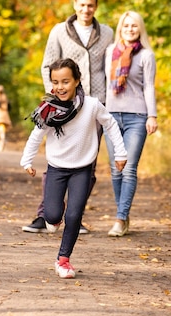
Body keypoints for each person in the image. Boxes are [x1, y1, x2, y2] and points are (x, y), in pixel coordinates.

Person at [20, 58, 127, 279]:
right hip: (56, 169)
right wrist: (27, 161)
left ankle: (63, 260)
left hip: (82, 169)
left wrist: (120, 153)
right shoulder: (48, 110)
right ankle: (55, 217)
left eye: (66, 81)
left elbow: (110, 124)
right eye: (56, 82)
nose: (60, 87)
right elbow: (36, 135)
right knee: (51, 216)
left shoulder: (91, 105)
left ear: (77, 80)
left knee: (75, 214)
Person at [22, 0, 114, 234]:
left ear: (96, 7)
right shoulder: (59, 31)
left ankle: (75, 216)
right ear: (75, 5)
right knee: (57, 161)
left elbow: (110, 67)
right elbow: (46, 66)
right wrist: (55, 99)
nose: (86, 9)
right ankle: (45, 215)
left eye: (91, 5)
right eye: (82, 5)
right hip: (63, 106)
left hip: (93, 104)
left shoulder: (106, 33)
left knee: (88, 164)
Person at [104, 11, 158, 237]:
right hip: (111, 116)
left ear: (140, 29)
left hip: (137, 116)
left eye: (134, 25)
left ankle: (120, 218)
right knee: (116, 170)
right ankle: (123, 215)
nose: (130, 29)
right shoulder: (110, 52)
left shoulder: (146, 55)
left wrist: (152, 116)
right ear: (120, 28)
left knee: (129, 169)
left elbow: (149, 87)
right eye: (126, 25)